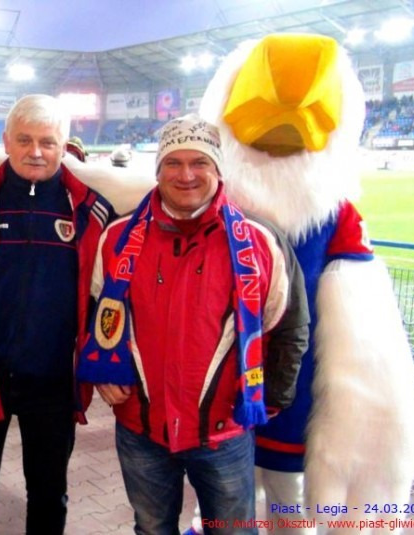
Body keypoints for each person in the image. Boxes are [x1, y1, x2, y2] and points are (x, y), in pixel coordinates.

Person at [77, 114, 308, 534]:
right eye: (173, 163)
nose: (186, 175)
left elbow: (289, 327)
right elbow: (97, 312)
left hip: (225, 433)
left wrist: (268, 398)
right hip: (141, 429)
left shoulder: (260, 240)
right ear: (158, 170)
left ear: (218, 170)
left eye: (199, 162)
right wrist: (104, 371)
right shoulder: (117, 237)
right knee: (152, 528)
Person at [0, 94, 115, 534]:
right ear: (6, 141)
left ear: (64, 146)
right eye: (24, 140)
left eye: (47, 142)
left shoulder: (92, 209)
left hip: (54, 382)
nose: (36, 151)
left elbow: (110, 296)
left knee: (48, 494)